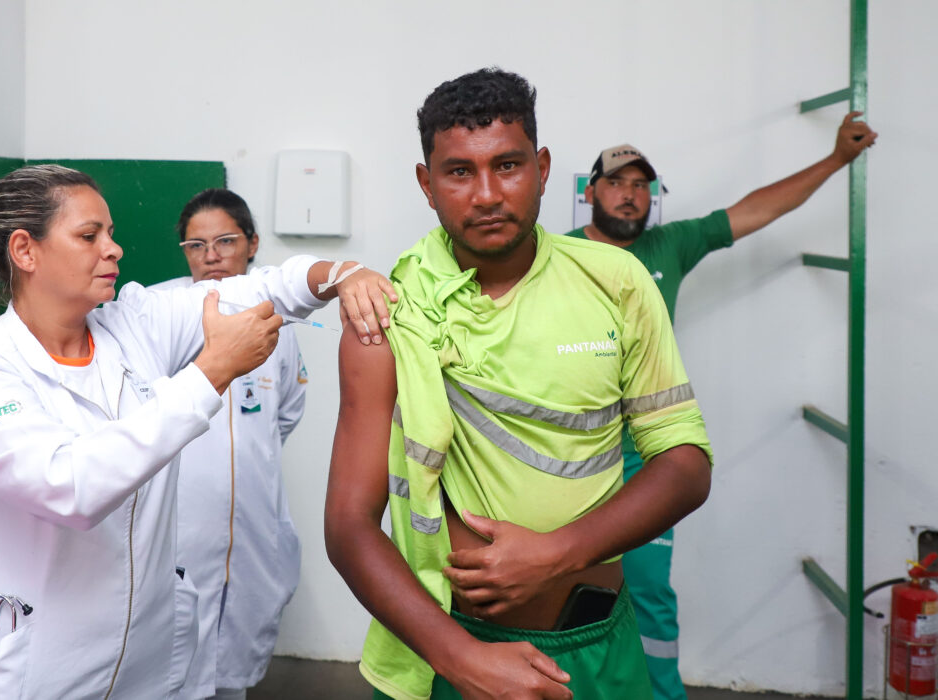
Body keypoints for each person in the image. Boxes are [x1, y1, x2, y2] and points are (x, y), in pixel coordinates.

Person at [0, 164, 396, 700]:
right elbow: (71, 488)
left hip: (137, 671)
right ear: (25, 251)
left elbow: (262, 289)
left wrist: (340, 274)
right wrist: (210, 373)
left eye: (110, 233)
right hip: (15, 676)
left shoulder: (133, 323)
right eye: (89, 236)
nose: (113, 249)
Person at [324, 68, 714, 700]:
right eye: (459, 172)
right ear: (426, 184)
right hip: (451, 650)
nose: (486, 194)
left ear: (543, 168)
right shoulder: (390, 315)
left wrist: (559, 552)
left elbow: (687, 465)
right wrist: (463, 660)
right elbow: (348, 524)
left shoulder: (616, 280)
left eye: (507, 165)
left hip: (599, 645)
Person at [565, 113, 877, 700]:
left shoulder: (669, 244)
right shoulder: (557, 253)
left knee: (648, 590)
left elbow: (757, 209)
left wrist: (837, 159)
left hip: (645, 454)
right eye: (616, 182)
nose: (630, 194)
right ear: (590, 192)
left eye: (641, 185)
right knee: (566, 590)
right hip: (569, 451)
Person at [149, 188, 309, 700]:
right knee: (168, 664)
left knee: (233, 668)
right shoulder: (160, 313)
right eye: (196, 245)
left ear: (252, 243)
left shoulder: (276, 320)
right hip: (179, 522)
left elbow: (286, 411)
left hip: (251, 521)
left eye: (224, 241)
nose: (211, 256)